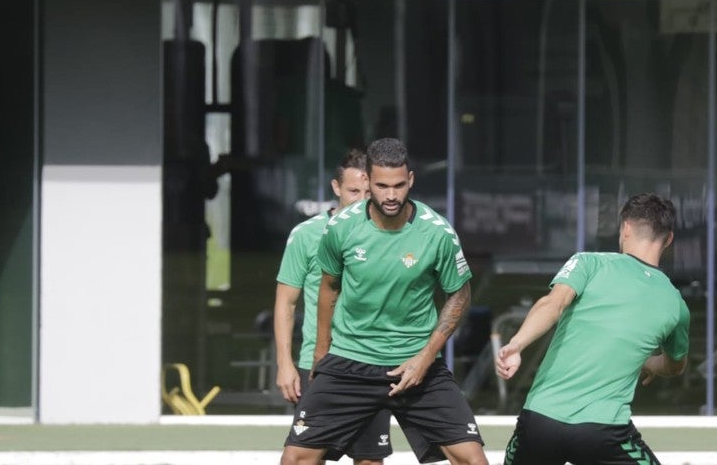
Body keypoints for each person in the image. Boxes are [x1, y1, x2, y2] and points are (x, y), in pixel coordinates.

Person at [281, 138, 488, 465]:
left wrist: (425, 357)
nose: (390, 195)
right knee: (296, 459)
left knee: (473, 459)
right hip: (350, 360)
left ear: (411, 181)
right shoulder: (341, 229)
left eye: (398, 185)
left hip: (414, 364)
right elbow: (329, 287)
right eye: (381, 186)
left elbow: (459, 293)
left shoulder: (437, 234)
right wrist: (322, 352)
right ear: (368, 181)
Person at [495, 193, 690, 465]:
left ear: (626, 228)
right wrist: (649, 363)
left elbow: (552, 305)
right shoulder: (675, 304)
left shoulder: (589, 263)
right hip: (603, 433)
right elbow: (675, 365)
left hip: (541, 423)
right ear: (668, 239)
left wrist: (517, 344)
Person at [274, 149, 392, 465]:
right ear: (336, 188)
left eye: (369, 192)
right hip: (319, 363)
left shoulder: (387, 236)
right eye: (354, 191)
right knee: (304, 457)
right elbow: (286, 302)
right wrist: (285, 363)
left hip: (369, 361)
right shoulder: (307, 234)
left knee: (369, 459)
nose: (362, 198)